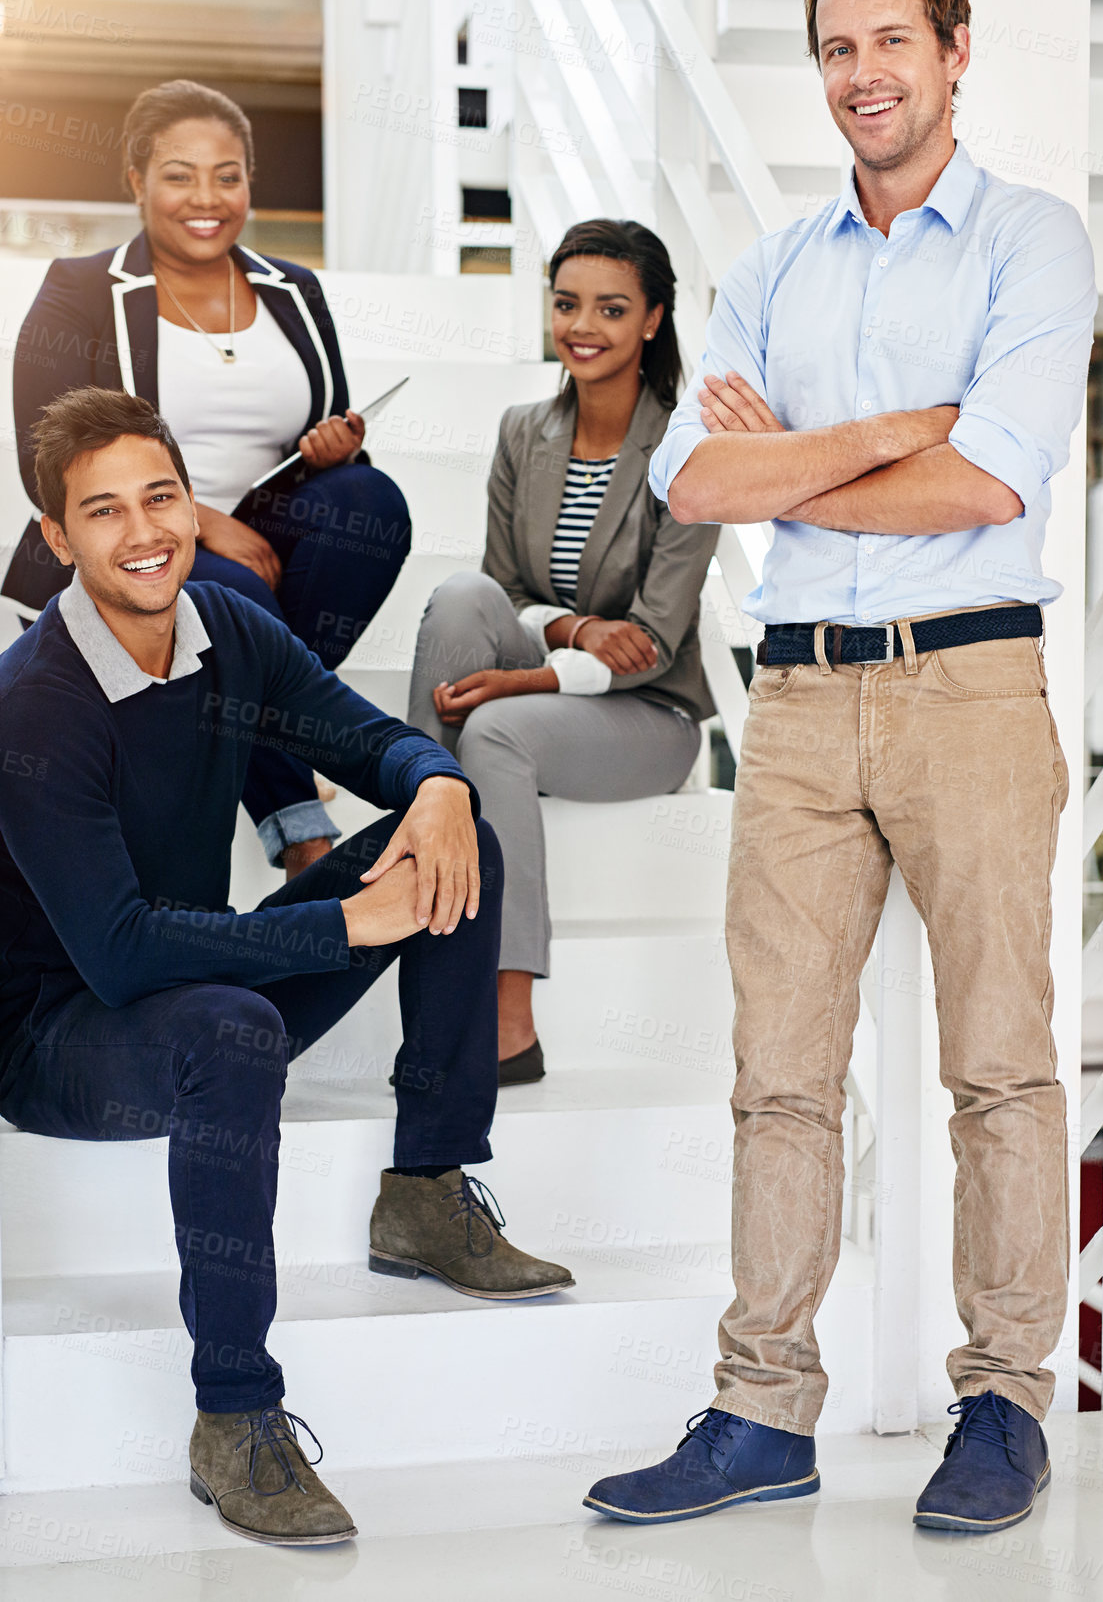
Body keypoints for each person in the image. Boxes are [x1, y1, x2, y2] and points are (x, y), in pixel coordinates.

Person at [584, 0, 1096, 1534]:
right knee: (779, 1075)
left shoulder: (1032, 241)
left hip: (967, 684)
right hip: (797, 699)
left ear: (953, 51)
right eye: (832, 49)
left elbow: (990, 479)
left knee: (999, 1063)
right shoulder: (774, 267)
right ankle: (759, 1412)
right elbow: (692, 478)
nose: (859, 74)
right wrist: (883, 430)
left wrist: (796, 456)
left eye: (889, 41)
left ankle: (1001, 1399)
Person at [0, 386, 573, 1548]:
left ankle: (426, 1189)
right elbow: (119, 953)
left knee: (455, 840)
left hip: (199, 977)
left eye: (161, 496)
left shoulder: (226, 624)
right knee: (230, 1028)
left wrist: (442, 783)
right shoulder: (31, 702)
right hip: (59, 1034)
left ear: (192, 505)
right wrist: (342, 930)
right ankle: (235, 1417)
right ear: (58, 542)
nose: (144, 530)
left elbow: (366, 739)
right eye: (103, 512)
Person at [5, 78, 412, 879]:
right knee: (233, 601)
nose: (207, 197)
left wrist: (333, 445)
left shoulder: (293, 289)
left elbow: (321, 420)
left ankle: (232, 719)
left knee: (370, 503)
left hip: (266, 528)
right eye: (180, 174)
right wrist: (196, 517)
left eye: (227, 175)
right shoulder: (81, 289)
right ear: (136, 180)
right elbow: (39, 453)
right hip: (140, 535)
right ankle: (300, 827)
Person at [407, 220, 719, 1083]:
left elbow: (653, 642)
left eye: (611, 308)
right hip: (553, 672)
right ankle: (418, 830)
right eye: (566, 303)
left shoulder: (687, 448)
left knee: (496, 732)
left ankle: (508, 1020)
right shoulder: (522, 431)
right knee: (458, 596)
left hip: (646, 716)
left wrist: (529, 676)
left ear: (652, 318)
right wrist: (574, 631)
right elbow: (501, 589)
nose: (583, 324)